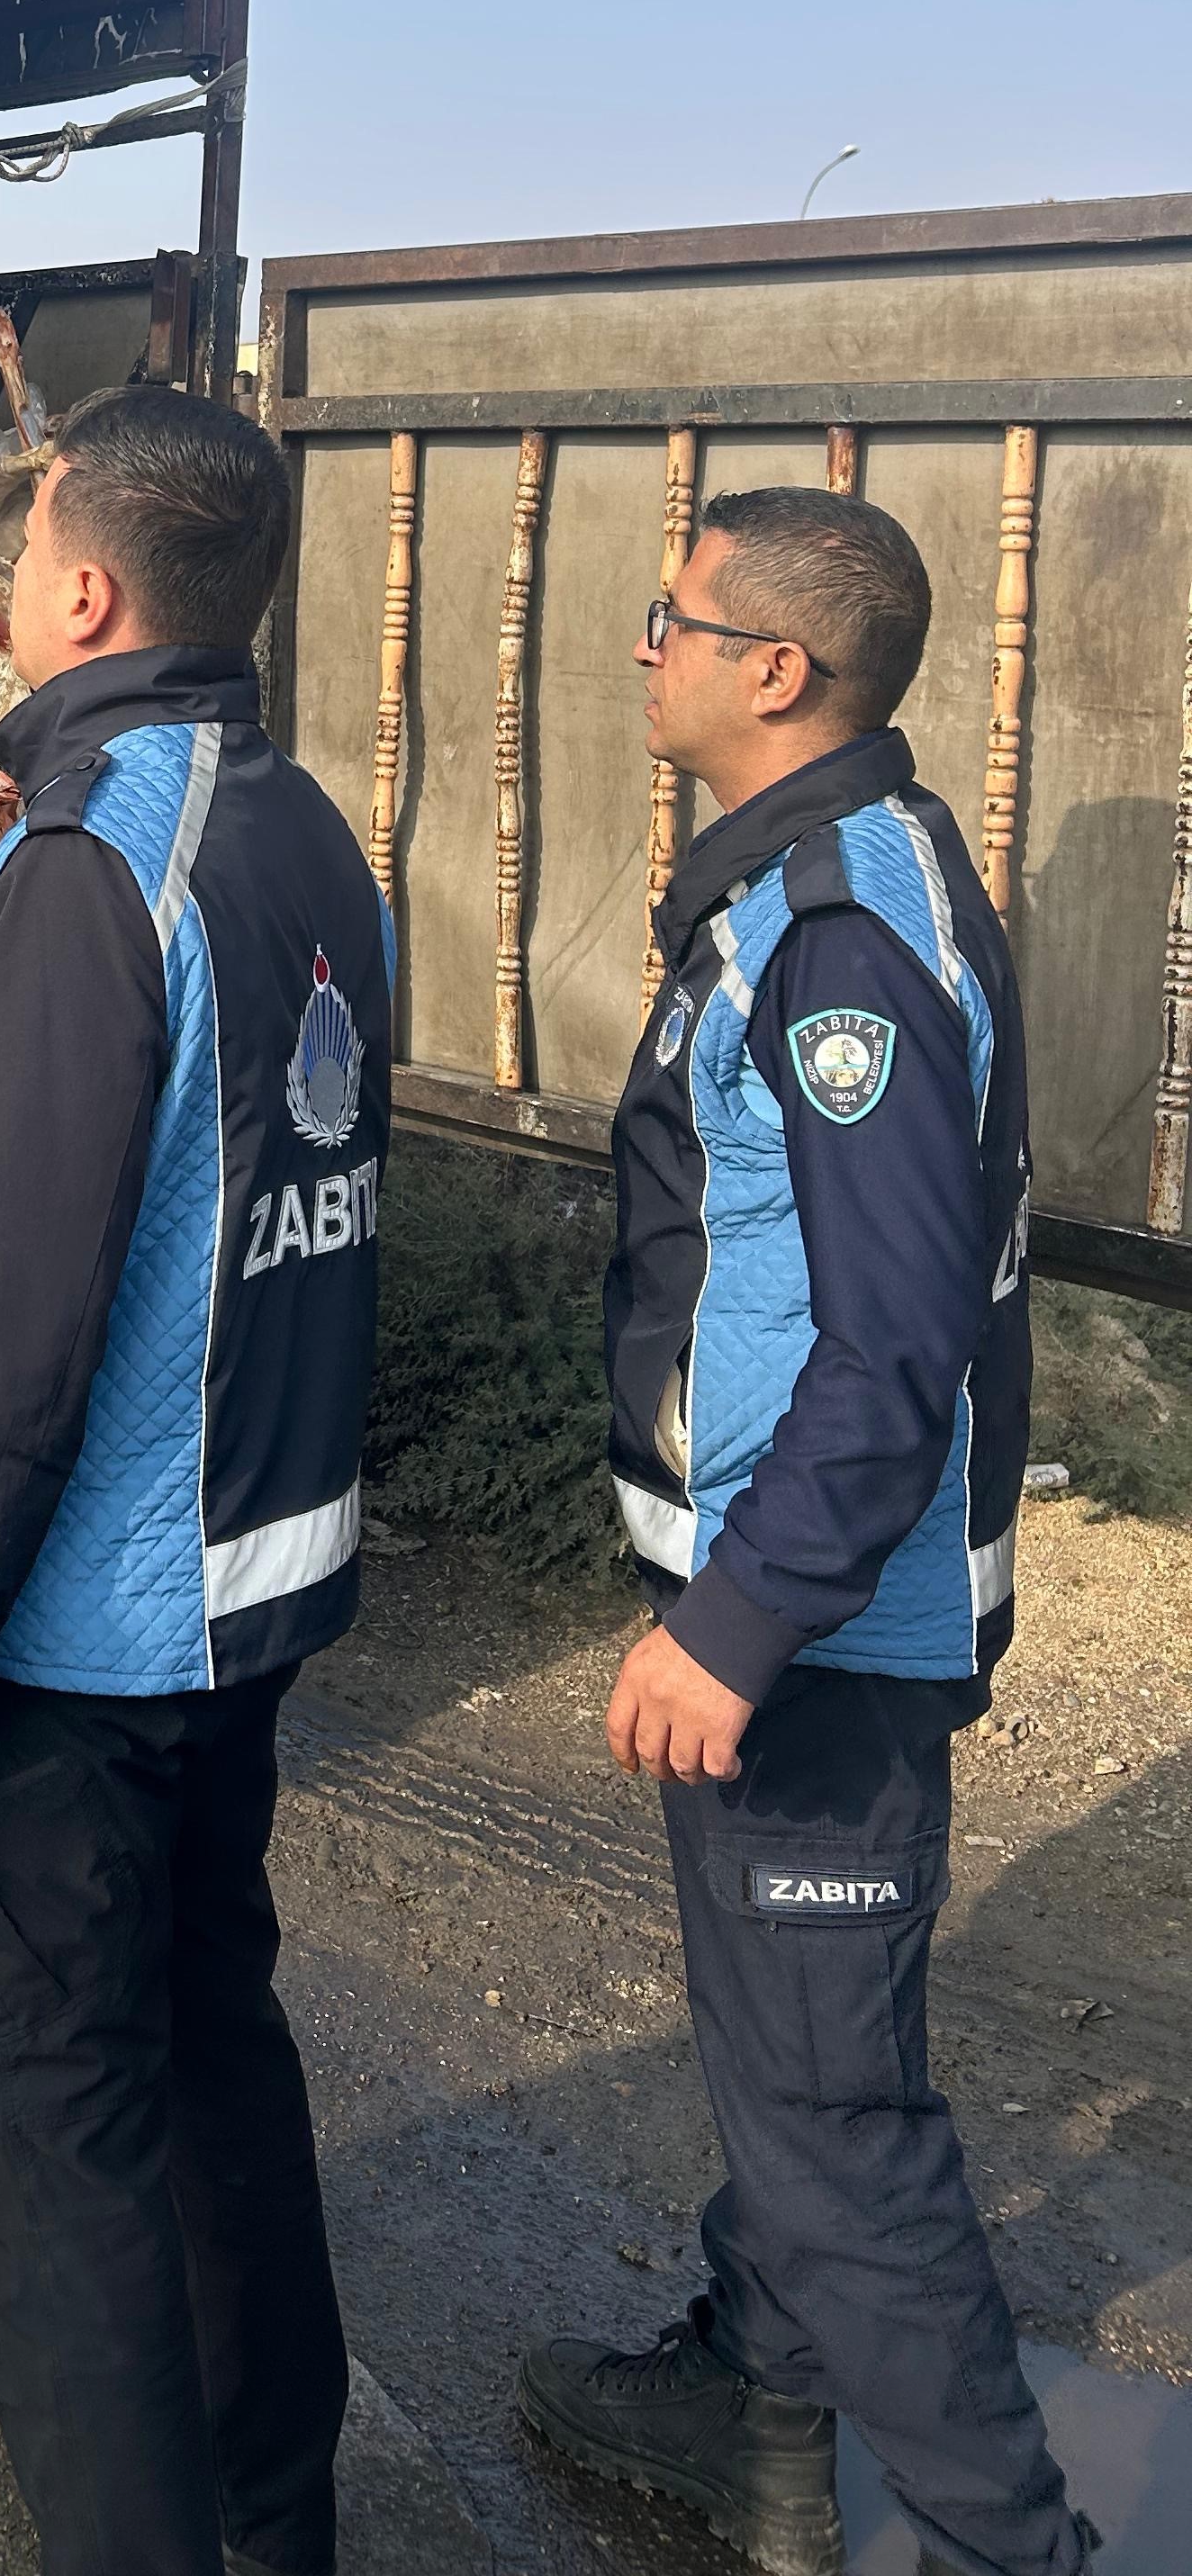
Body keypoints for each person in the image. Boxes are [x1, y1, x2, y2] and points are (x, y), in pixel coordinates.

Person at [0, 380, 392, 2576]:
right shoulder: (295, 828)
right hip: (242, 1609)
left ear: (82, 585)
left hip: (77, 1653)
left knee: (58, 2170)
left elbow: (11, 1328)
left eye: (20, 545)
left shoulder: (85, 870)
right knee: (213, 2074)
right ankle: (277, 2520)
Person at [519, 489, 1096, 2576]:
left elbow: (896, 1339)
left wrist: (741, 1621)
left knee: (841, 2123)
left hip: (823, 1629)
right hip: (795, 1597)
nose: (642, 650)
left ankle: (1007, 2543)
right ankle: (753, 2417)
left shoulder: (844, 930)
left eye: (669, 621)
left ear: (779, 669)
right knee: (789, 2066)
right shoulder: (800, 886)